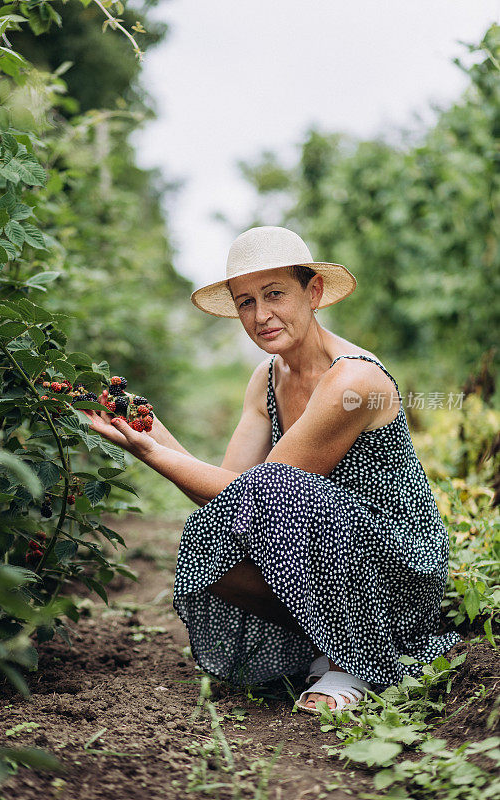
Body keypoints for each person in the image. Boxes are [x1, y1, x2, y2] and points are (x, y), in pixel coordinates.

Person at [81, 225, 461, 714]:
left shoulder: (354, 379)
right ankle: (330, 645)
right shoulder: (266, 378)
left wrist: (151, 453)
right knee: (208, 538)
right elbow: (227, 493)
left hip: (399, 570)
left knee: (273, 491)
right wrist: (141, 428)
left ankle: (361, 661)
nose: (261, 316)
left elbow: (269, 488)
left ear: (314, 292)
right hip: (332, 556)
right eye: (245, 302)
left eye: (275, 294)